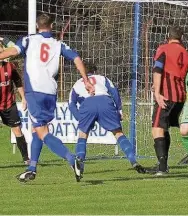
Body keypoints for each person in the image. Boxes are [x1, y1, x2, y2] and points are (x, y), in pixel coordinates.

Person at [0, 13, 94, 182]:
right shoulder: (58, 44)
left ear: (37, 25)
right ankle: (32, 169)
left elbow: (13, 51)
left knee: (42, 132)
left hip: (34, 91)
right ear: (51, 26)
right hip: (50, 92)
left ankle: (73, 161)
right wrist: (86, 80)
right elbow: (77, 58)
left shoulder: (29, 40)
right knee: (38, 129)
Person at [68, 61, 146, 179]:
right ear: (94, 71)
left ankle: (80, 162)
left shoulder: (77, 84)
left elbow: (71, 104)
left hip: (87, 103)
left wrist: (79, 118)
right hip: (105, 101)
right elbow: (114, 92)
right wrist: (119, 109)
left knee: (82, 135)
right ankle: (134, 161)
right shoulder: (102, 78)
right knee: (118, 133)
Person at [151, 27, 188, 175]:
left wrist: (157, 92)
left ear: (168, 37)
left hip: (167, 95)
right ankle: (163, 164)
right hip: (180, 96)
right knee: (164, 127)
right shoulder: (186, 53)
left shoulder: (164, 48)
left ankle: (162, 167)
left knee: (157, 128)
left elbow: (158, 69)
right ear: (182, 37)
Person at [0, 38, 29, 164]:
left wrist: (23, 98)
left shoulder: (9, 67)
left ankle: (26, 159)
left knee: (17, 130)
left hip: (8, 104)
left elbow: (18, 82)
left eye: (1, 47)